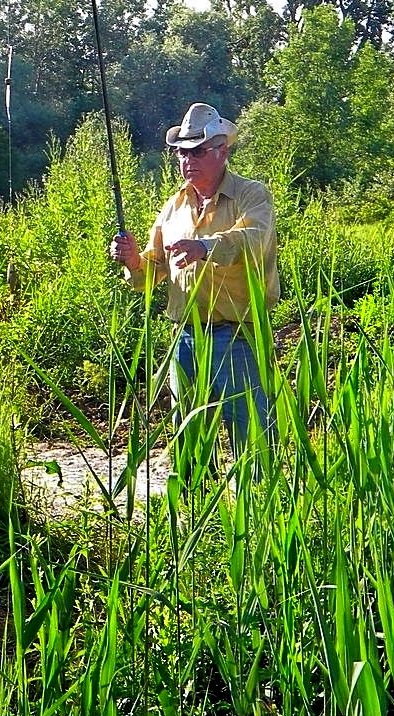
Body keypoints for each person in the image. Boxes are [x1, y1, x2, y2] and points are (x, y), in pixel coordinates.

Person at [109, 102, 279, 473]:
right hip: (184, 337)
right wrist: (134, 261)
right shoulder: (173, 208)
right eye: (182, 153)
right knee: (187, 440)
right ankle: (191, 512)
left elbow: (254, 240)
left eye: (198, 150)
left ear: (223, 150)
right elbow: (152, 271)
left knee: (251, 440)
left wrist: (205, 247)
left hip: (239, 336)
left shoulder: (252, 195)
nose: (188, 160)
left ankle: (256, 518)